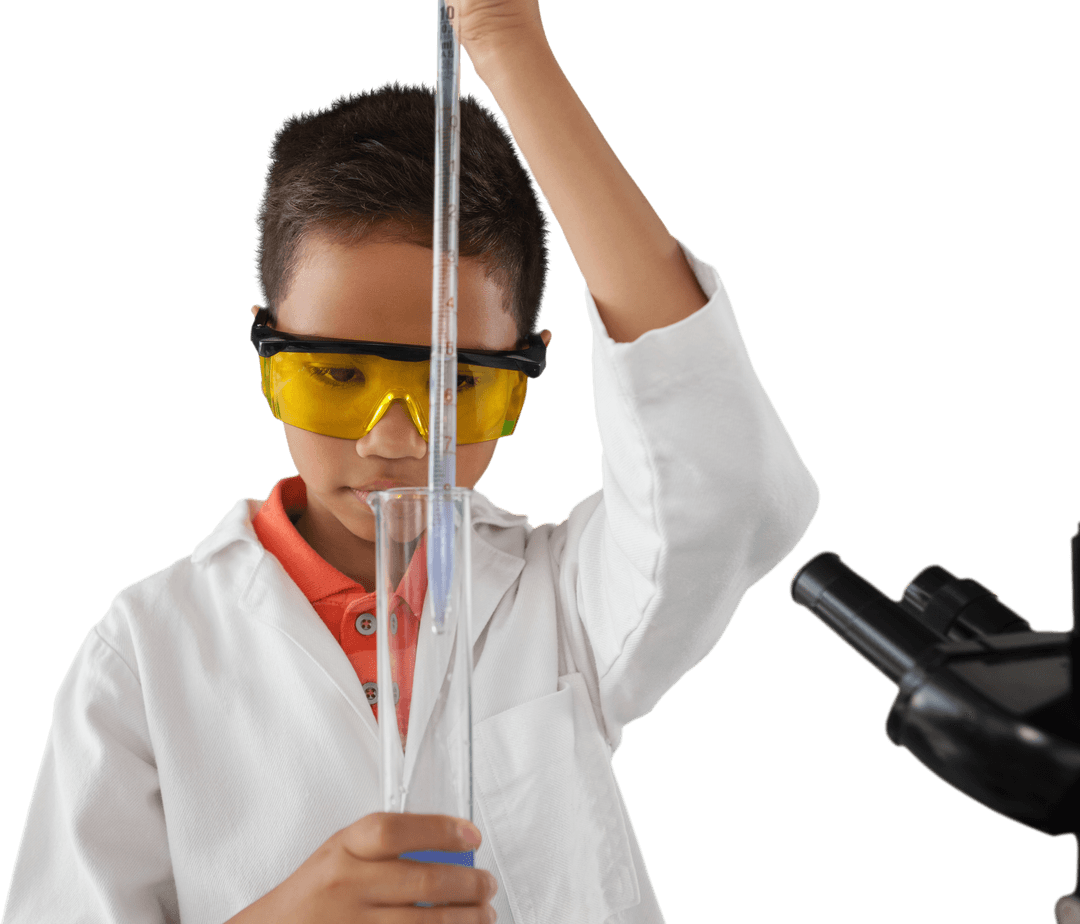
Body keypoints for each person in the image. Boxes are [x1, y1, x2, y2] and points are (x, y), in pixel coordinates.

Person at [2, 1, 819, 922]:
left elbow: (726, 484)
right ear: (264, 353)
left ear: (527, 367)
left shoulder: (557, 602)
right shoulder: (148, 654)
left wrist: (507, 43)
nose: (394, 441)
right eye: (338, 374)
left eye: (455, 386)